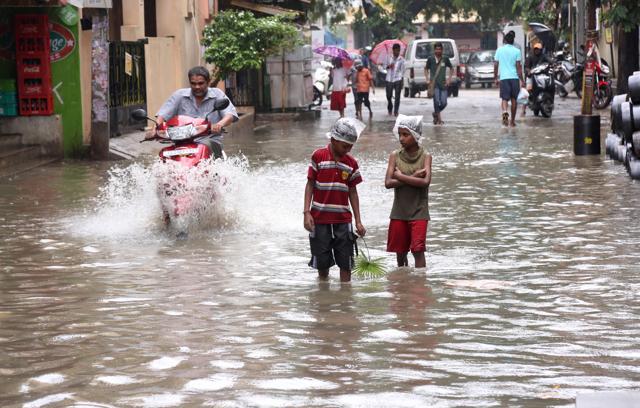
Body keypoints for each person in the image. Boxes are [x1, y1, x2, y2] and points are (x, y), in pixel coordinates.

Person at [304, 118, 367, 282]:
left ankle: (345, 299)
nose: (348, 149)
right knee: (322, 265)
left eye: (351, 146)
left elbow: (353, 192)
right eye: (345, 146)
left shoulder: (351, 163)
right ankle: (324, 297)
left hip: (343, 221)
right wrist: (306, 213)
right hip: (319, 219)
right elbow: (310, 185)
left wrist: (358, 221)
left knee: (346, 263)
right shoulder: (318, 156)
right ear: (333, 140)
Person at [152, 66, 238, 158]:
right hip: (182, 141)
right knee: (164, 156)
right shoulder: (179, 95)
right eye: (193, 83)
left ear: (208, 82)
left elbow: (229, 115)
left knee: (205, 146)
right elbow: (162, 116)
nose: (197, 87)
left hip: (210, 141)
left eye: (201, 83)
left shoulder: (217, 94)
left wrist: (219, 125)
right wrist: (154, 129)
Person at [384, 115, 432, 268]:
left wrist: (399, 176)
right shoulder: (394, 156)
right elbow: (388, 183)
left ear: (415, 135)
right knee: (400, 253)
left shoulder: (426, 156)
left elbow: (425, 182)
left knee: (418, 251)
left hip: (419, 211)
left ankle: (419, 284)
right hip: (399, 211)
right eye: (400, 134)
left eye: (405, 134)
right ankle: (402, 285)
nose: (401, 138)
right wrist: (412, 177)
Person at [494, 31, 524, 127]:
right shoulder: (517, 51)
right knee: (514, 99)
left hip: (504, 78)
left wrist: (495, 77)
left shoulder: (499, 50)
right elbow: (519, 67)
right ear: (512, 41)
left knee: (504, 99)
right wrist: (522, 80)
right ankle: (512, 121)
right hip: (514, 78)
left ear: (505, 40)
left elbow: (496, 65)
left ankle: (505, 115)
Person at [425, 42, 454, 125]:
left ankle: (435, 114)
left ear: (442, 50)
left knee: (444, 103)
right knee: (436, 101)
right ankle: (439, 119)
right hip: (434, 85)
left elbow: (452, 68)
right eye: (436, 49)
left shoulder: (445, 59)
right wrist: (427, 79)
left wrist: (449, 79)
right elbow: (426, 69)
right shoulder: (430, 59)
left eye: (439, 49)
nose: (438, 51)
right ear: (434, 50)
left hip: (443, 84)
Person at [521, 42, 551, 116]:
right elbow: (526, 66)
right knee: (527, 92)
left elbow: (549, 61)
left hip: (542, 76)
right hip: (532, 76)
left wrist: (552, 63)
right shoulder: (530, 57)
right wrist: (528, 71)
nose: (537, 50)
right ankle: (523, 110)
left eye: (538, 49)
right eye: (536, 49)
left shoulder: (544, 56)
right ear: (534, 49)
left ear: (541, 50)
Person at [385, 43, 405, 116]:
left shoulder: (401, 59)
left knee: (397, 96)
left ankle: (396, 111)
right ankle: (390, 106)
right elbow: (382, 67)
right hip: (389, 79)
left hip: (398, 79)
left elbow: (402, 70)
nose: (397, 52)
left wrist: (402, 80)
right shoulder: (388, 57)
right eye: (396, 50)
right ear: (393, 50)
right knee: (388, 95)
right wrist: (388, 66)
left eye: (399, 51)